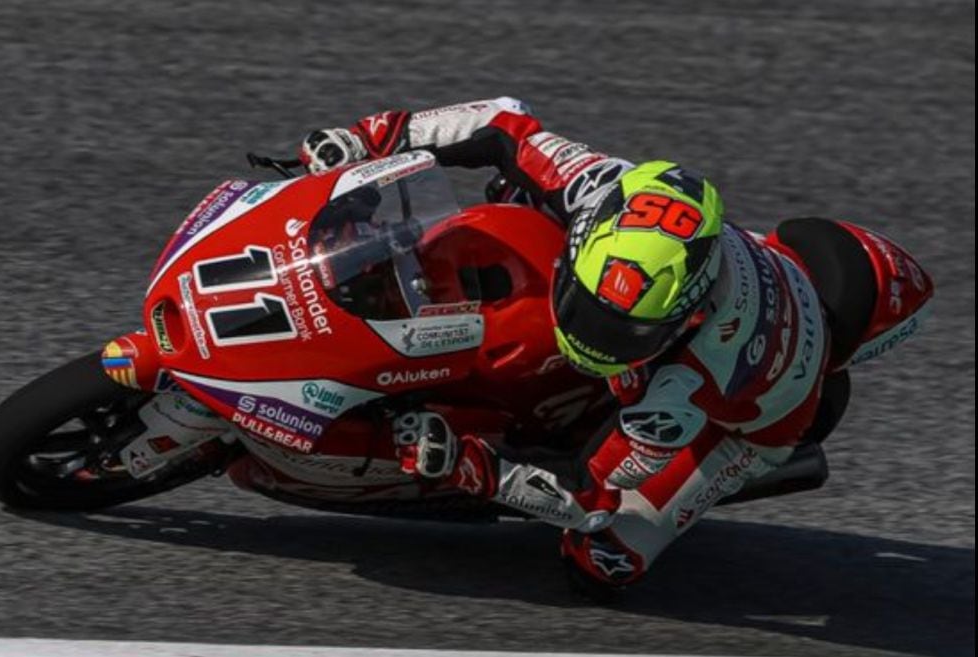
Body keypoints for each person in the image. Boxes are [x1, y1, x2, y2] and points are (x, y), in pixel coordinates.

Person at [298, 98, 933, 593]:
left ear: (681, 317)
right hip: (750, 264)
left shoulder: (691, 377)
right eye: (591, 307)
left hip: (754, 418)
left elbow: (589, 493)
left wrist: (476, 467)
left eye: (623, 330)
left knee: (604, 556)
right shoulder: (608, 187)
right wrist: (366, 140)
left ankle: (717, 468)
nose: (594, 334)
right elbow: (500, 125)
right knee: (512, 195)